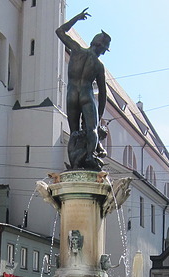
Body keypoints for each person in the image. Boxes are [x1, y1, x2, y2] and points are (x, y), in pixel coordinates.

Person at [55, 9, 110, 170]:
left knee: (74, 132)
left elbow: (59, 31)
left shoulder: (76, 50)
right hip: (86, 95)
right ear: (100, 47)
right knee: (91, 130)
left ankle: (74, 165)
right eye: (104, 50)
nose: (103, 53)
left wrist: (77, 19)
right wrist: (98, 115)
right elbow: (103, 94)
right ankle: (88, 157)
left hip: (71, 94)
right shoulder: (99, 66)